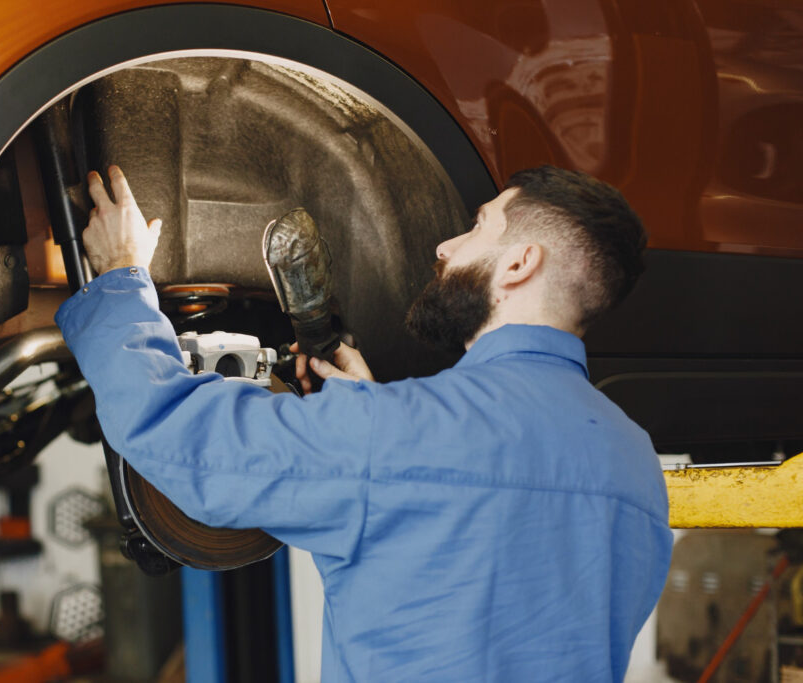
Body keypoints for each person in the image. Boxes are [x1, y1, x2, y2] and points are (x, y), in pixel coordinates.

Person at [55, 164, 673, 682]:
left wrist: (119, 277)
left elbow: (178, 434)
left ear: (520, 264)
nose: (446, 246)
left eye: (479, 227)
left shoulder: (397, 435)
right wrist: (369, 413)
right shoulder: (636, 466)